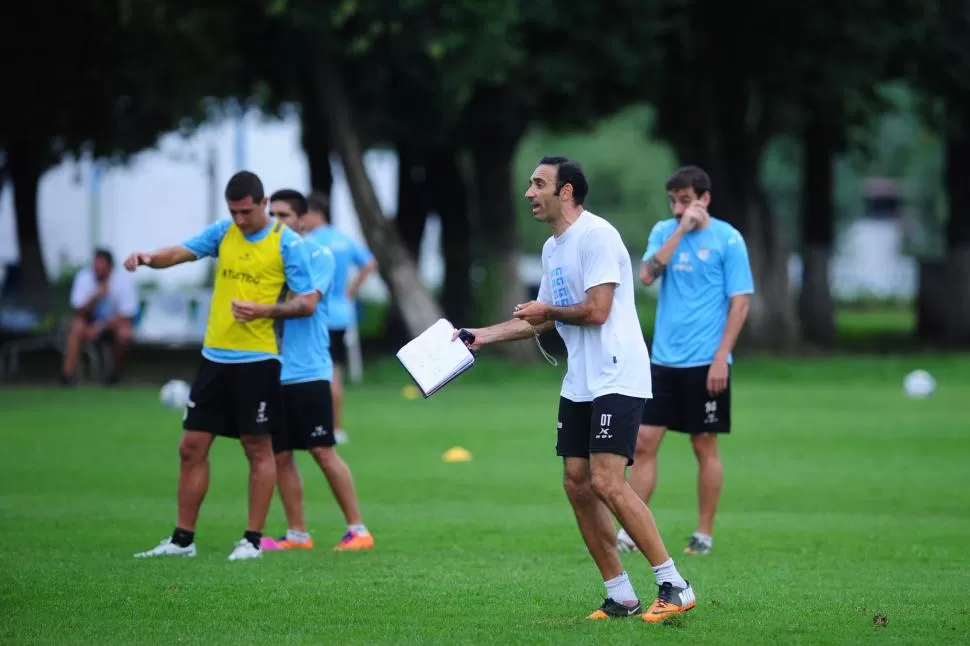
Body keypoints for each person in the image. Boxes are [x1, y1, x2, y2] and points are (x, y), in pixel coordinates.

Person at [455, 156, 696, 623]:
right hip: (581, 379)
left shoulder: (597, 236)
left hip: (616, 371)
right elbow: (540, 316)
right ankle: (621, 594)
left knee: (608, 481)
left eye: (538, 183)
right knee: (577, 484)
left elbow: (598, 309)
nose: (529, 192)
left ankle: (674, 584)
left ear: (565, 192)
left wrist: (549, 309)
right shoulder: (552, 249)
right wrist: (481, 335)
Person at [127, 171, 318, 561]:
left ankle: (251, 540)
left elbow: (307, 302)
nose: (240, 220)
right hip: (214, 358)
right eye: (233, 212)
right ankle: (183, 540)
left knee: (257, 448)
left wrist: (264, 309)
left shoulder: (288, 244)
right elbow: (179, 252)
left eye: (246, 212)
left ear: (263, 204)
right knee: (191, 446)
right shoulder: (223, 232)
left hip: (259, 360)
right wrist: (149, 258)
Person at [616, 165, 754, 557]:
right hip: (663, 360)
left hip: (706, 361)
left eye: (686, 201)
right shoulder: (664, 232)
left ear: (705, 199)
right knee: (643, 442)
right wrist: (680, 230)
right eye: (673, 201)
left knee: (703, 444)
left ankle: (703, 534)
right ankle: (632, 530)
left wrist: (721, 358)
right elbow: (645, 276)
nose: (678, 208)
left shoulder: (728, 240)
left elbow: (740, 302)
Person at [257, 189, 373, 552]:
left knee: (323, 451)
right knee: (280, 454)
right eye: (271, 213)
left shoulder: (316, 255)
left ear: (303, 221)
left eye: (285, 215)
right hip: (271, 370)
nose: (277, 221)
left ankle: (357, 530)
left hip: (307, 371)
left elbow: (304, 304)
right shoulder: (262, 259)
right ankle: (297, 534)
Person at [303, 191, 377, 445]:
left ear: (316, 214)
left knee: (316, 373)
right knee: (335, 374)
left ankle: (316, 424)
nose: (302, 220)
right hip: (341, 315)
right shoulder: (343, 239)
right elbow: (369, 264)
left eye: (305, 214)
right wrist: (351, 292)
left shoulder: (311, 241)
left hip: (317, 314)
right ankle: (337, 428)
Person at [60, 248, 138, 385]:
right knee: (76, 326)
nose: (97, 268)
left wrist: (100, 327)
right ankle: (67, 376)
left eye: (101, 264)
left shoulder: (123, 281)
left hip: (112, 324)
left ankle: (114, 374)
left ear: (110, 266)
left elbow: (127, 315)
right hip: (88, 323)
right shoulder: (84, 278)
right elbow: (78, 311)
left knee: (125, 334)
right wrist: (96, 296)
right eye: (95, 264)